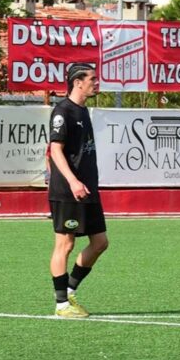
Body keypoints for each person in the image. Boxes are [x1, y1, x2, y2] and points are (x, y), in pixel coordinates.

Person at [47, 63, 107, 318]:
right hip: (67, 190)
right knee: (65, 244)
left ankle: (70, 290)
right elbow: (55, 150)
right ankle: (61, 305)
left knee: (100, 243)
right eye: (92, 79)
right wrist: (72, 181)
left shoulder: (83, 111)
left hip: (87, 189)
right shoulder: (63, 111)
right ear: (78, 82)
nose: (96, 82)